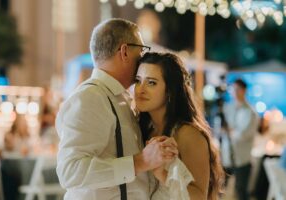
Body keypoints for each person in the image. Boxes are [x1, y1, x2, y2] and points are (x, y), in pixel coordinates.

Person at [56, 18, 178, 200]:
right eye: (141, 50)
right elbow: (70, 171)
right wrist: (140, 162)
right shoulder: (90, 98)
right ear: (125, 51)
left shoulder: (121, 98)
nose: (143, 57)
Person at [134, 52, 225, 200]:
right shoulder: (142, 129)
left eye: (151, 82)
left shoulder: (188, 134)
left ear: (170, 90)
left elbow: (200, 196)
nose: (140, 89)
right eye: (138, 80)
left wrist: (162, 174)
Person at [222, 79, 259, 200]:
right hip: (226, 157)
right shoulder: (228, 108)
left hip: (242, 159)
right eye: (233, 89)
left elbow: (243, 135)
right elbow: (222, 130)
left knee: (241, 192)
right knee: (222, 189)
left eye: (238, 89)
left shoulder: (250, 112)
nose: (235, 92)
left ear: (244, 91)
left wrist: (230, 131)